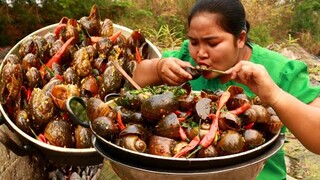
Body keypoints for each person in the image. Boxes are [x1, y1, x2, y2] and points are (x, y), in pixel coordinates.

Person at [132, 0, 320, 179]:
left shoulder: (279, 71)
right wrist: (158, 67)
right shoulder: (185, 59)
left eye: (212, 43)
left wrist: (275, 96)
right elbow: (137, 79)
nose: (200, 53)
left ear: (240, 38)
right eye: (194, 42)